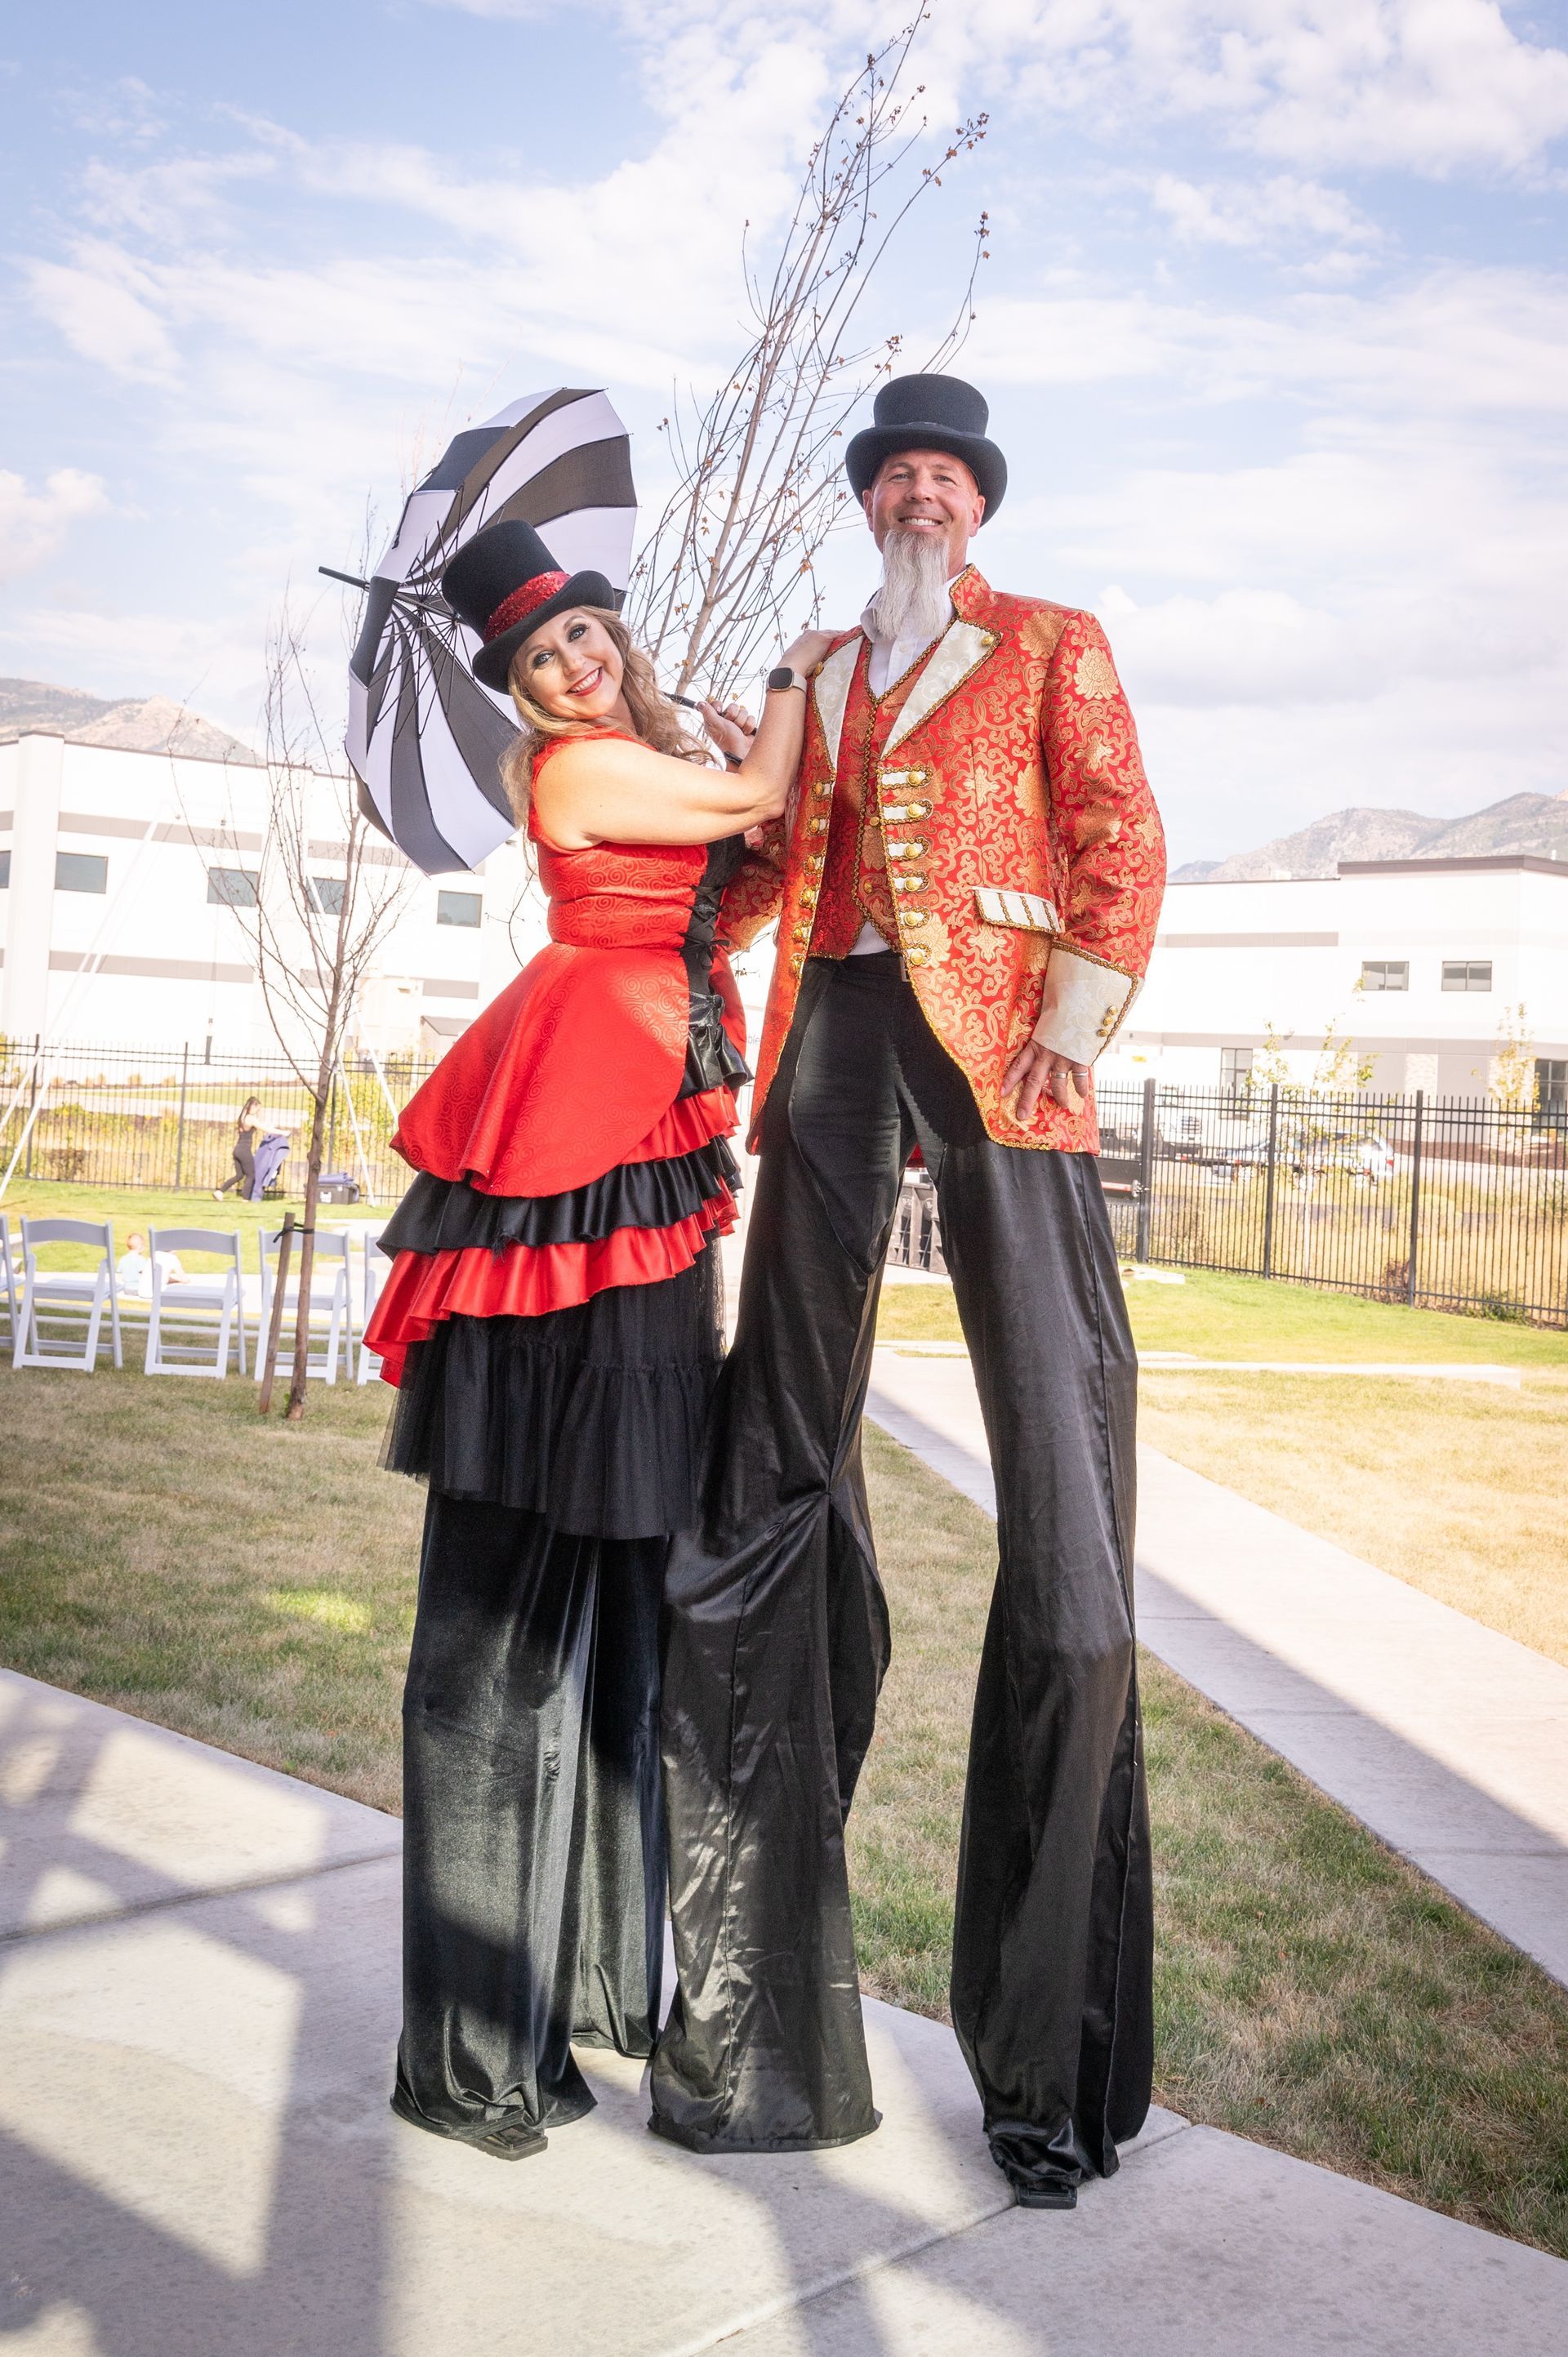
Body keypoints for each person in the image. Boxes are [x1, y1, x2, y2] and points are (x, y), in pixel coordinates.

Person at [651, 373, 1166, 2210]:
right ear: (871, 503)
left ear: (978, 503)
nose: (920, 493)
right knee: (775, 1447)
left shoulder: (1050, 641)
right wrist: (688, 790)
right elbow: (772, 860)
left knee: (1060, 1471)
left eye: (945, 472)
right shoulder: (822, 663)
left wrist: (1066, 1032)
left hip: (1005, 1038)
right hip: (841, 1023)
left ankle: (1044, 2067)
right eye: (897, 475)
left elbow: (1117, 837)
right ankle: (737, 1983)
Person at [362, 517, 833, 2163]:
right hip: (567, 1152)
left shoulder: (644, 750)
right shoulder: (566, 778)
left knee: (619, 1594)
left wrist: (703, 731)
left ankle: (580, 2000)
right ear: (523, 694)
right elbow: (764, 798)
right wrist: (784, 678)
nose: (573, 667)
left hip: (644, 1153)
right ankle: (468, 2048)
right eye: (540, 661)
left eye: (586, 640)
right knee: (500, 1630)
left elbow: (747, 882)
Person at [213, 1097, 261, 1200]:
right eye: (258, 1108)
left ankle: (220, 1192)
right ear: (253, 1106)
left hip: (237, 1150)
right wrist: (282, 1132)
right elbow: (264, 1127)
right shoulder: (250, 1118)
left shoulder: (242, 1118)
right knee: (250, 1175)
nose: (258, 1111)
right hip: (244, 1150)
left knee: (239, 1175)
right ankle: (245, 1199)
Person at [116, 1232, 185, 1298]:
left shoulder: (123, 1259)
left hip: (127, 1289)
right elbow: (147, 1274)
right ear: (140, 1247)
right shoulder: (140, 1260)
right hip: (138, 1288)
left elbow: (119, 1274)